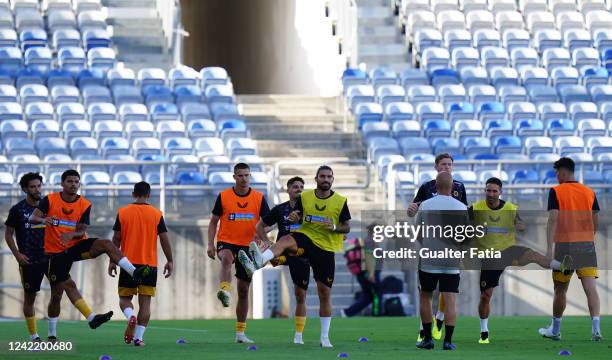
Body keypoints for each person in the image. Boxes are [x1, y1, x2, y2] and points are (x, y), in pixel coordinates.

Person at [239, 165, 351, 348]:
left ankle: (324, 337)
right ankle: (259, 260)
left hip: (325, 247)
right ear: (316, 179)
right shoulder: (305, 197)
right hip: (305, 238)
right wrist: (293, 217)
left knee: (325, 293)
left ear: (332, 179)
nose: (326, 179)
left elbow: (346, 227)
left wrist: (334, 227)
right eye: (322, 176)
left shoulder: (340, 200)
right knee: (286, 240)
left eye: (329, 176)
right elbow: (297, 215)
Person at [29, 169, 149, 330]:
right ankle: (53, 334)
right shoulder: (49, 200)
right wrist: (45, 219)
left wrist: (71, 235)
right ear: (62, 184)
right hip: (55, 254)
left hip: (75, 247)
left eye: (76, 182)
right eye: (70, 181)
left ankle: (134, 272)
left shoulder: (85, 204)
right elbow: (32, 218)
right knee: (58, 293)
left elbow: (81, 231)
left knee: (106, 243)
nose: (73, 184)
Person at [470, 177, 570, 344]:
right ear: (484, 191)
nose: (491, 194)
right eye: (488, 190)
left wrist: (518, 225)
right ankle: (484, 331)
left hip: (509, 251)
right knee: (485, 296)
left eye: (494, 191)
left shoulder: (510, 208)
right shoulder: (475, 209)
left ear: (500, 192)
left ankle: (561, 266)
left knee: (532, 255)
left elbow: (522, 225)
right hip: (490, 256)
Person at [538, 157, 602, 341]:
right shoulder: (589, 192)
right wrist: (591, 235)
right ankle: (596, 329)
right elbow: (595, 216)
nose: (556, 176)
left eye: (557, 173)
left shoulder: (556, 191)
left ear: (563, 172)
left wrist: (549, 249)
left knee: (560, 289)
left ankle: (555, 330)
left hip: (565, 247)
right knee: (591, 288)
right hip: (587, 245)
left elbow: (553, 219)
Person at [207, 163, 270, 343]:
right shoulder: (224, 196)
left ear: (250, 176)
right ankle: (224, 290)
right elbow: (213, 222)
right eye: (240, 175)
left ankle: (240, 333)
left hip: (248, 245)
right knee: (226, 258)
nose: (244, 179)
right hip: (226, 241)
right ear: (234, 177)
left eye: (247, 175)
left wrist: (263, 240)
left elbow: (267, 222)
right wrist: (210, 245)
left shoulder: (258, 197)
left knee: (243, 290)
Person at [409, 153, 467, 342]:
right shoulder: (461, 207)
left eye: (449, 164)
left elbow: (417, 233)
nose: (447, 167)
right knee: (450, 298)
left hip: (429, 257)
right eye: (444, 164)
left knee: (425, 296)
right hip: (451, 258)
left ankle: (427, 337)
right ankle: (448, 341)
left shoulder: (426, 204)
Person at [108, 181, 174, 347]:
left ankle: (130, 315)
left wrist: (112, 260)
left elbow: (116, 239)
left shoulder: (123, 212)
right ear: (149, 195)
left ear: (133, 194)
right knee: (145, 304)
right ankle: (138, 338)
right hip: (149, 266)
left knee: (124, 299)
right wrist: (170, 260)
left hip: (127, 264)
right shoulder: (156, 214)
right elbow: (164, 239)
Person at [5, 173, 68, 341]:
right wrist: (17, 254)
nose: (37, 189)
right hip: (29, 259)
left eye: (39, 186)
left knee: (57, 294)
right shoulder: (17, 210)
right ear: (25, 189)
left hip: (50, 256)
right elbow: (8, 234)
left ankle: (52, 334)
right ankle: (34, 337)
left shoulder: (48, 207)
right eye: (33, 186)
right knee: (30, 297)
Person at [255, 176, 311, 344]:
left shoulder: (309, 209)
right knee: (277, 252)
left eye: (302, 186)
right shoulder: (280, 210)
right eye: (295, 186)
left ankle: (299, 335)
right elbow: (259, 226)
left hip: (302, 254)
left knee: (300, 295)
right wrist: (266, 242)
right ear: (288, 190)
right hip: (283, 251)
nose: (299, 189)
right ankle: (262, 258)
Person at [341, 224, 382, 318]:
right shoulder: (370, 242)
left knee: (368, 296)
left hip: (363, 273)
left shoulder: (368, 241)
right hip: (369, 272)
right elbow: (368, 257)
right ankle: (377, 315)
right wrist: (371, 273)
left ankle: (347, 312)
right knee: (377, 294)